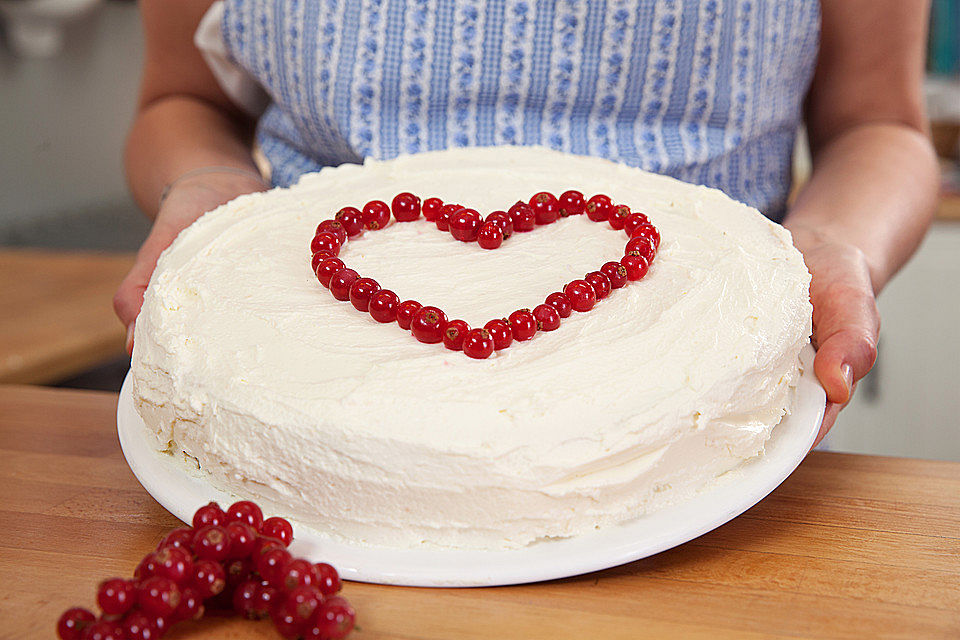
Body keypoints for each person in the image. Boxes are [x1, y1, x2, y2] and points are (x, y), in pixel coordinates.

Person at [115, 0, 939, 445]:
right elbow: (182, 98)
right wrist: (208, 182)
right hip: (294, 368)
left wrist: (836, 243)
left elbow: (879, 124)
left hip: (700, 401)